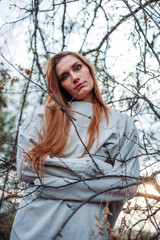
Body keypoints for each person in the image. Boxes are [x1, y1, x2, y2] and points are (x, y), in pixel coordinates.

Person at [10, 51, 139, 240]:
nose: (74, 77)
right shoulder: (42, 116)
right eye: (64, 77)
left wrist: (48, 184)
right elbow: (26, 169)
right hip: (32, 229)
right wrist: (99, 168)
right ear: (60, 86)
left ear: (88, 67)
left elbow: (127, 186)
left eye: (77, 67)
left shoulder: (121, 124)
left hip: (87, 230)